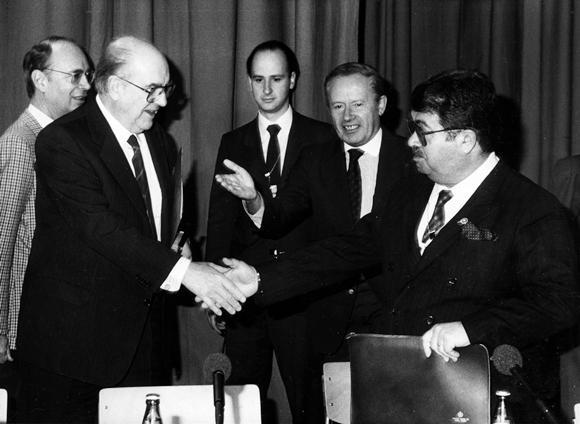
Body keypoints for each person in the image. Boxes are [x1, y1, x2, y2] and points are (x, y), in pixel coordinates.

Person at [219, 69, 580, 424]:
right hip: (406, 388)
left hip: (488, 398)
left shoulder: (532, 210)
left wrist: (470, 329)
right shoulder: (412, 189)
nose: (410, 142)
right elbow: (349, 249)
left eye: (422, 131)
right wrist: (261, 280)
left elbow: (560, 303)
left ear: (465, 140)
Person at [16, 35, 245, 423]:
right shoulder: (62, 141)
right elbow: (100, 228)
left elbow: (149, 227)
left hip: (142, 346)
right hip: (73, 355)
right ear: (116, 86)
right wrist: (187, 273)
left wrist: (177, 245)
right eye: (153, 90)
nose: (163, 101)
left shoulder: (160, 142)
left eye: (166, 89)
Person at [214, 62, 411, 422]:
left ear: (381, 105)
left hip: (393, 315)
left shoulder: (411, 160)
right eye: (338, 106)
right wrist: (254, 199)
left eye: (358, 104)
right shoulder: (316, 159)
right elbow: (280, 217)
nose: (347, 117)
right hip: (327, 316)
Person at [205, 40, 335, 423]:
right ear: (248, 82)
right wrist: (215, 290)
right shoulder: (233, 142)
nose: (266, 89)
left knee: (311, 404)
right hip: (246, 298)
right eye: (258, 79)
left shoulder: (323, 137)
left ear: (292, 80)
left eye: (276, 79)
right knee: (241, 404)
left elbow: (332, 223)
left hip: (304, 297)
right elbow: (220, 221)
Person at [0, 35, 92, 420]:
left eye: (88, 76)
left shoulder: (61, 141)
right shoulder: (21, 143)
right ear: (40, 80)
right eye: (75, 76)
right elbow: (1, 244)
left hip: (59, 327)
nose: (86, 85)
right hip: (27, 332)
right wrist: (1, 331)